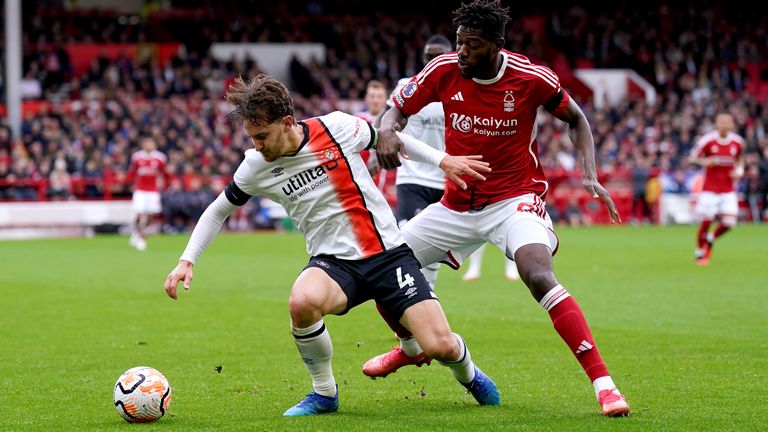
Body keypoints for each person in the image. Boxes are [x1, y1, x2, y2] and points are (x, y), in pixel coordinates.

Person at [163, 74, 500, 417]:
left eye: (262, 136)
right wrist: (186, 260)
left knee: (440, 346)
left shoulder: (337, 127)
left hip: (388, 256)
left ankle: (469, 374)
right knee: (302, 301)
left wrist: (443, 161)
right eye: (252, 137)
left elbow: (390, 137)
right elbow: (218, 210)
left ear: (288, 122)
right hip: (335, 265)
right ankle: (324, 393)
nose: (257, 145)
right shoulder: (255, 166)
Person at [370, 0, 629, 417]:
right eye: (459, 43)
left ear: (496, 44)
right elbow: (397, 108)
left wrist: (589, 174)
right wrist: (386, 129)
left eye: (472, 44)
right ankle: (413, 348)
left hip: (514, 200)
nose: (463, 52)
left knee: (537, 273)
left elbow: (577, 118)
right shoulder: (443, 70)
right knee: (382, 267)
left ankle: (605, 386)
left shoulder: (531, 77)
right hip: (454, 205)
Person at [361, 35, 453, 377]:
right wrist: (375, 159)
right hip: (413, 177)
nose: (433, 61)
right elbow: (389, 122)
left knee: (437, 253)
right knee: (405, 249)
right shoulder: (408, 86)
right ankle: (416, 326)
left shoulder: (460, 90)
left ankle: (423, 320)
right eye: (428, 56)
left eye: (439, 56)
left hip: (448, 178)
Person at [689, 113, 744, 265]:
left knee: (730, 223)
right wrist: (704, 161)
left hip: (728, 189)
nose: (724, 125)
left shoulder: (737, 142)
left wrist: (739, 172)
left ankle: (711, 238)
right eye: (722, 122)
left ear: (732, 125)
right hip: (709, 189)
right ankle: (700, 253)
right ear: (716, 124)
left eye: (727, 122)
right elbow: (691, 157)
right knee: (706, 221)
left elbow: (740, 160)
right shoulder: (707, 141)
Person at [127, 137, 167, 251]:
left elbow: (163, 173)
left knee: (150, 215)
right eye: (147, 143)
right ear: (143, 144)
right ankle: (137, 234)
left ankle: (141, 235)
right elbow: (132, 172)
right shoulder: (137, 157)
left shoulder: (160, 158)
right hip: (140, 190)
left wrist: (162, 182)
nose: (149, 145)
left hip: (153, 190)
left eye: (151, 143)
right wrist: (132, 183)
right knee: (139, 214)